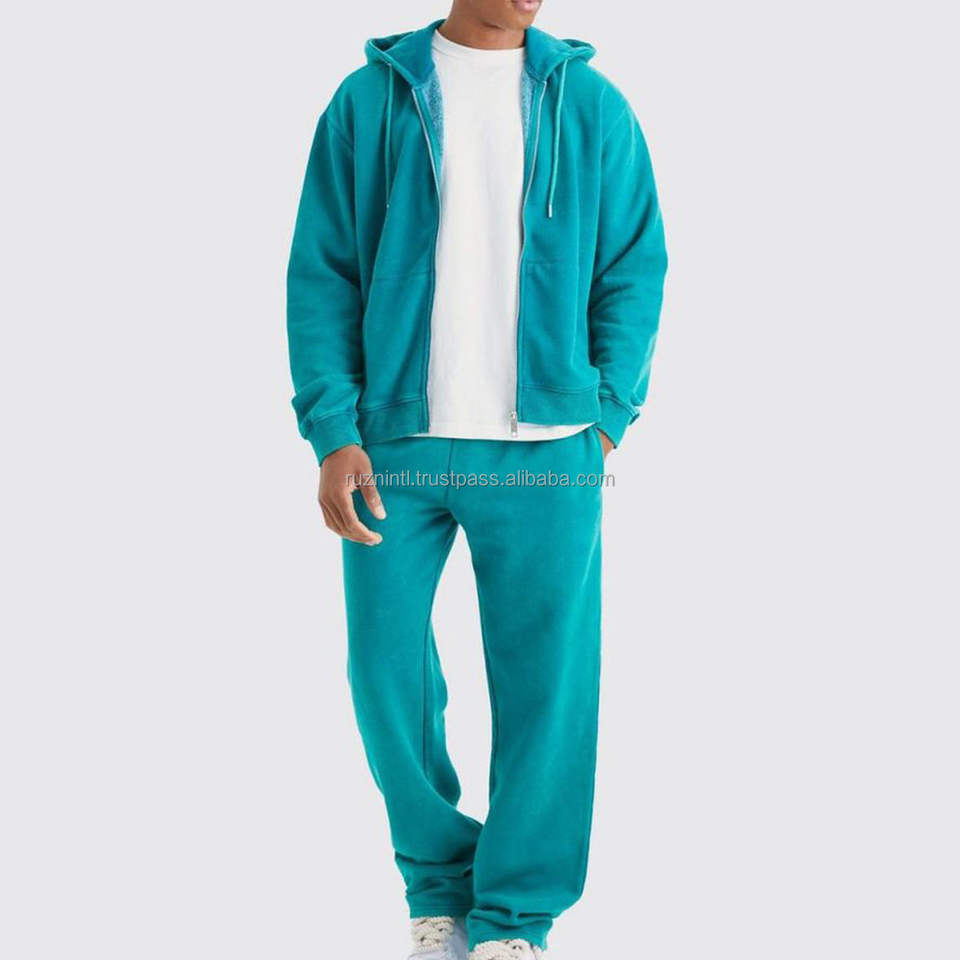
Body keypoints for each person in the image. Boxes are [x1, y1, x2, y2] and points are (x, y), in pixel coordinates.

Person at [286, 0, 666, 956]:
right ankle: (440, 886)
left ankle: (514, 920)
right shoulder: (369, 102)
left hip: (547, 449)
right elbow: (323, 271)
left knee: (547, 686)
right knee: (383, 673)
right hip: (395, 445)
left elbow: (634, 265)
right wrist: (332, 430)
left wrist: (606, 415)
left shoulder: (593, 106)